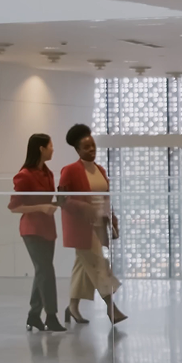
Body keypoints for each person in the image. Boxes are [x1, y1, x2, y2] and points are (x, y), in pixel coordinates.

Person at [58, 124, 128, 325]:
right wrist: (84, 207)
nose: (91, 150)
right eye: (86, 147)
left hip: (100, 226)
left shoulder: (100, 170)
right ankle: (111, 308)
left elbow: (105, 199)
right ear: (77, 150)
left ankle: (72, 308)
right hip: (82, 229)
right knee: (99, 265)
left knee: (83, 267)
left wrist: (113, 220)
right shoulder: (70, 171)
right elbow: (62, 199)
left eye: (93, 146)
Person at [8, 133, 66, 332]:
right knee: (46, 270)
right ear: (41, 149)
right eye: (50, 146)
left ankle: (34, 315)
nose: (53, 149)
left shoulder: (48, 173)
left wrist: (58, 202)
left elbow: (46, 202)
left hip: (48, 228)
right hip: (32, 230)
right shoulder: (24, 175)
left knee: (42, 271)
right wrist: (41, 208)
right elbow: (14, 207)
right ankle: (51, 316)